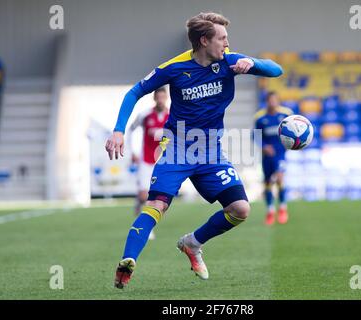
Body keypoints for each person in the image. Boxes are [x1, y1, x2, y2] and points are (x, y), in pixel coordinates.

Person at [105, 12, 283, 289]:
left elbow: (276, 70)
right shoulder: (174, 68)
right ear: (204, 41)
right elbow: (134, 93)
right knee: (157, 205)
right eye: (222, 38)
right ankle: (128, 262)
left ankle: (192, 243)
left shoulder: (231, 61)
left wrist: (254, 64)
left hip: (210, 150)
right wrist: (118, 130)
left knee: (240, 209)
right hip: (177, 149)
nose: (227, 43)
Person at [127, 87, 169, 240]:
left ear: (166, 98)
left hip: (163, 162)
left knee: (160, 199)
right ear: (154, 98)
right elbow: (131, 130)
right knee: (144, 196)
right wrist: (132, 152)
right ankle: (143, 227)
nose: (160, 100)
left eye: (163, 97)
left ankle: (146, 224)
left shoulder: (172, 115)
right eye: (158, 97)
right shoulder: (145, 115)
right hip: (146, 160)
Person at [254, 91, 293, 225]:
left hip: (281, 153)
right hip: (267, 155)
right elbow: (256, 136)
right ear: (267, 102)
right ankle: (270, 210)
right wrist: (264, 146)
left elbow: (294, 130)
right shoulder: (260, 118)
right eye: (270, 100)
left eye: (275, 100)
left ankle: (282, 208)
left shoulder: (286, 114)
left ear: (278, 101)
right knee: (268, 183)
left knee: (280, 177)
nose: (272, 103)